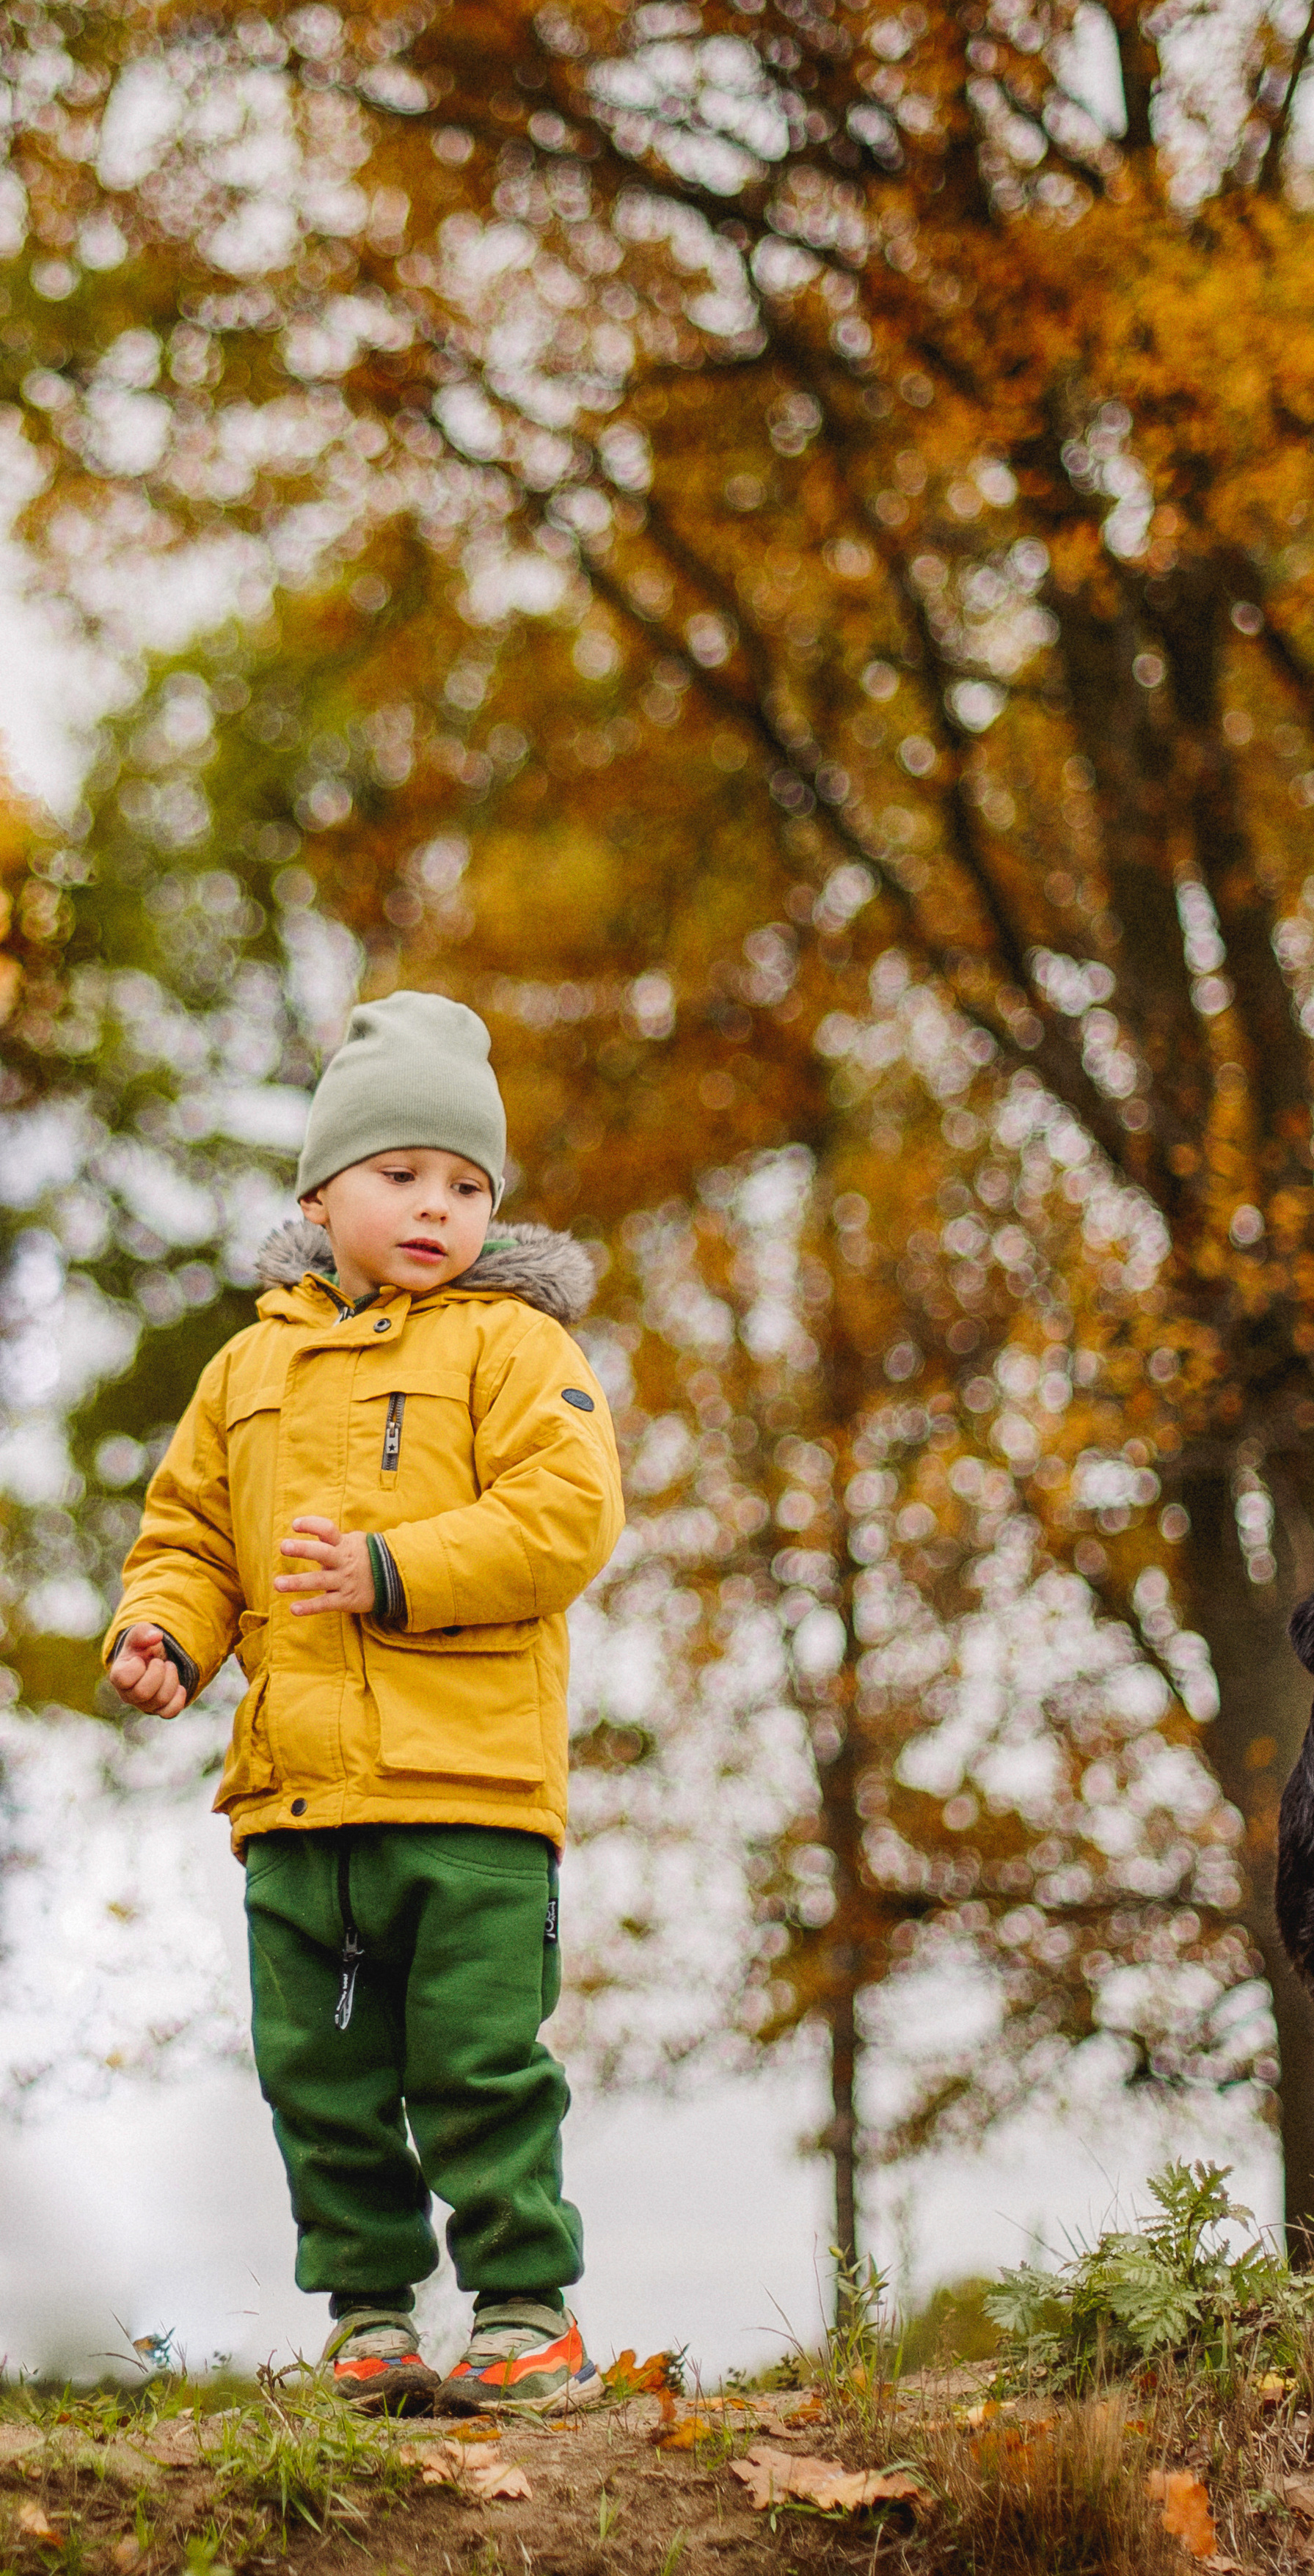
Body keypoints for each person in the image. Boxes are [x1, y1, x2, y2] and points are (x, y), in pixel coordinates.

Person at [103, 991, 624, 2415]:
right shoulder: (245, 1370)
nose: (434, 1207)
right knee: (321, 2082)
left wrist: (394, 1568)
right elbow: (192, 1534)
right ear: (321, 1187)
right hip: (298, 1800)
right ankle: (371, 2320)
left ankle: (525, 2311)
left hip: (470, 1799)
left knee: (476, 2066)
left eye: (466, 1185)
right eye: (402, 1174)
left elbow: (566, 1514)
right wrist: (164, 1633)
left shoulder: (512, 1347)